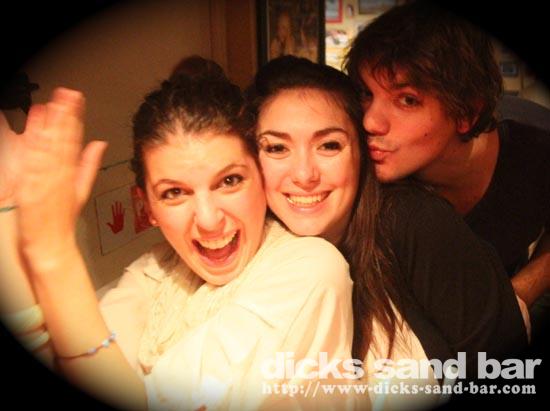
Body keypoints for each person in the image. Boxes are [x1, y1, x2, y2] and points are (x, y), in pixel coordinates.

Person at [0, 67, 355, 410]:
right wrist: (8, 204)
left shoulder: (311, 269)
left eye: (229, 181)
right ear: (147, 207)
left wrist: (54, 253)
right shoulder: (156, 271)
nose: (209, 220)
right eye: (174, 193)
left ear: (261, 178)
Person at [244, 55, 529, 409]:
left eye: (329, 145)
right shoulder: (250, 250)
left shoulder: (411, 221)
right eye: (277, 148)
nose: (304, 175)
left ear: (362, 153)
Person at [344, 0, 550, 340]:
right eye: (366, 93)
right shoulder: (355, 168)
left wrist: (518, 294)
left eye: (407, 100)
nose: (370, 121)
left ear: (465, 113)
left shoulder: (535, 150)